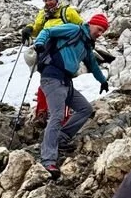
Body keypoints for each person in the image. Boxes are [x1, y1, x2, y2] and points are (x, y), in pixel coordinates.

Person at [34, 14, 110, 178]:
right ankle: (48, 160)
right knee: (57, 115)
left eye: (103, 31)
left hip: (66, 82)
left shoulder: (87, 45)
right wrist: (39, 43)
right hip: (52, 77)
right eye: (99, 29)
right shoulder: (74, 29)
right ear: (91, 24)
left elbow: (93, 65)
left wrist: (103, 81)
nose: (100, 33)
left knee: (85, 109)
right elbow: (48, 31)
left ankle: (61, 138)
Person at [21, 0, 84, 124]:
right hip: (46, 51)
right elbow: (37, 28)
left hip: (64, 52)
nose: (48, 2)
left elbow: (81, 26)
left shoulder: (68, 12)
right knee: (47, 81)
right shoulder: (43, 14)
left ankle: (63, 117)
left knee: (63, 83)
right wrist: (29, 29)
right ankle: (41, 114)